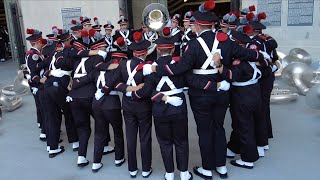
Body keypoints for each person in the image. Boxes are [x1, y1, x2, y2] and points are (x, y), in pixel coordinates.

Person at [142, 0, 271, 179]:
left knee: (204, 131)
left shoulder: (193, 45)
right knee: (218, 128)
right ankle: (221, 167)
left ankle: (207, 168)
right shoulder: (226, 42)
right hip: (221, 92)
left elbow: (179, 69)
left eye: (193, 23)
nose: (192, 26)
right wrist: (262, 56)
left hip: (200, 93)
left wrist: (154, 68)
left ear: (198, 25)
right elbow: (247, 53)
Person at [129, 27, 192, 180]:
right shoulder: (179, 65)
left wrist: (131, 92)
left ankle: (169, 174)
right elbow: (187, 82)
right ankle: (184, 173)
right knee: (181, 140)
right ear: (172, 50)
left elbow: (147, 92)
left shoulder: (150, 68)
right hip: (178, 106)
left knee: (165, 142)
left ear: (157, 49)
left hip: (159, 108)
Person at [72, 40, 126, 172]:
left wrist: (71, 90)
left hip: (97, 104)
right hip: (112, 104)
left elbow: (82, 80)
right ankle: (119, 158)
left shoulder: (96, 70)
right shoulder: (116, 70)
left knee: (99, 133)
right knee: (118, 132)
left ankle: (96, 162)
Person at [113, 31, 153, 178]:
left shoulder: (123, 64)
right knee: (145, 137)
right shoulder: (147, 66)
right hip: (143, 106)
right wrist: (135, 91)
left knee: (130, 136)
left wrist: (128, 91)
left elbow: (115, 84)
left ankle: (132, 169)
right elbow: (148, 88)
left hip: (127, 105)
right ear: (145, 53)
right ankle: (146, 169)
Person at [43, 29, 80, 158]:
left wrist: (47, 73)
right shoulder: (69, 51)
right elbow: (71, 63)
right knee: (69, 112)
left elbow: (44, 65)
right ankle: (75, 142)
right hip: (61, 84)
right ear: (69, 39)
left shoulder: (53, 52)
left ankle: (52, 147)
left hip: (48, 84)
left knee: (52, 116)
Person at [25, 28, 51, 142]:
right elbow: (33, 69)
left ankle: (45, 129)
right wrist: (41, 80)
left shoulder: (36, 53)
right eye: (40, 42)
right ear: (37, 42)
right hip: (37, 84)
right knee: (44, 109)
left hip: (37, 83)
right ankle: (45, 133)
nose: (42, 44)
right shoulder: (33, 55)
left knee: (42, 108)